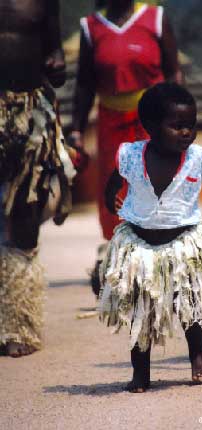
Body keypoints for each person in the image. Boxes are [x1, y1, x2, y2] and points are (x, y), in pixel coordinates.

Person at [98, 82, 202, 393]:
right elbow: (113, 182)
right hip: (138, 247)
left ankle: (197, 354)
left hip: (182, 245)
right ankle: (140, 371)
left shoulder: (198, 157)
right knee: (140, 310)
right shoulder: (131, 155)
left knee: (190, 305)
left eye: (191, 125)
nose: (186, 132)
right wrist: (110, 200)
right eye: (177, 126)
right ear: (150, 127)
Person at [69, 0, 182, 285]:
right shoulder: (91, 27)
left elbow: (174, 72)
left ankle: (163, 259)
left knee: (157, 186)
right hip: (111, 121)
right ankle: (121, 260)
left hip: (153, 120)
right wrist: (77, 131)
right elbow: (84, 84)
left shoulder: (155, 19)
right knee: (114, 190)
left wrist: (178, 120)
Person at [0, 0, 75, 357]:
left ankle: (19, 325)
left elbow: (54, 51)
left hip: (29, 115)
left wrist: (56, 64)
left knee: (25, 218)